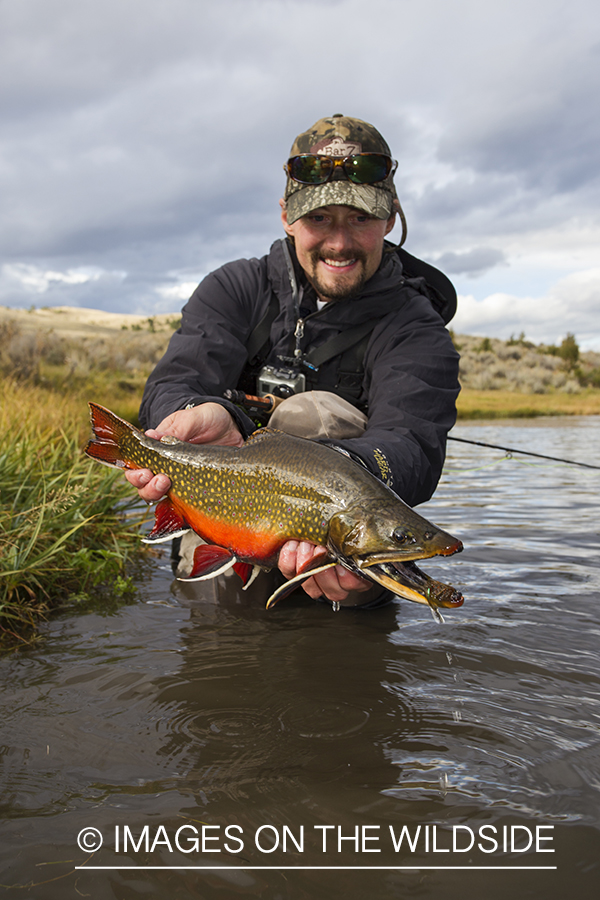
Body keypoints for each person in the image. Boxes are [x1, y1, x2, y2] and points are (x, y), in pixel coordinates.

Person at [126, 114, 460, 607]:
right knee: (217, 624)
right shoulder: (235, 289)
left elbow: (414, 447)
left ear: (390, 218)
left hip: (349, 547)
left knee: (316, 415)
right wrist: (198, 413)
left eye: (361, 219)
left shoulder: (416, 325)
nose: (339, 242)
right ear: (287, 216)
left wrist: (330, 488)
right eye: (319, 219)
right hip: (226, 512)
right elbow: (170, 386)